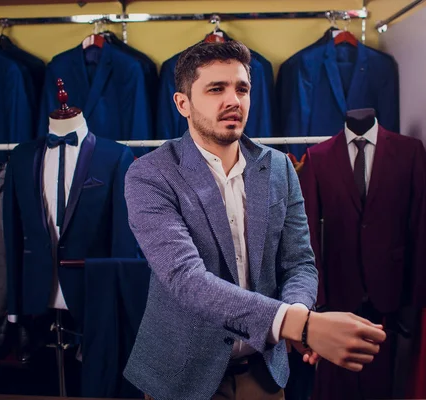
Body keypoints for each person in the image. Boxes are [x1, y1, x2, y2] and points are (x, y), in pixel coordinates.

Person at [123, 41, 386, 400]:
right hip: (181, 376)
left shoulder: (279, 167)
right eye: (216, 89)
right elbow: (186, 279)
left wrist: (296, 312)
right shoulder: (151, 174)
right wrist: (303, 325)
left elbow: (299, 263)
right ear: (182, 103)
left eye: (242, 88)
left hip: (263, 373)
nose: (234, 100)